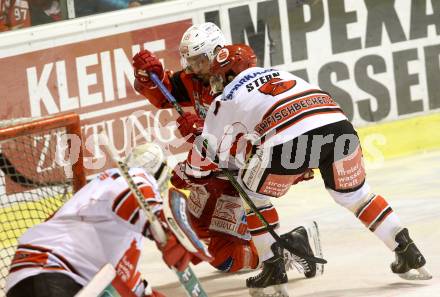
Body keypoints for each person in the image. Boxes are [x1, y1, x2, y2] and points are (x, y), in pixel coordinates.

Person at [184, 44, 432, 296]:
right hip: (340, 129)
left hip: (288, 139)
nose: (214, 82)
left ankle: (272, 268)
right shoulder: (281, 73)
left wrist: (190, 172)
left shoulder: (225, 97)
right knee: (357, 196)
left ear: (229, 74)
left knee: (253, 197)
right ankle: (406, 250)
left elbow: (208, 149)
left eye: (217, 75)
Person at [132, 22, 321, 277]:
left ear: (217, 54)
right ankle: (252, 240)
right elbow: (166, 93)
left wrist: (197, 147)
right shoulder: (195, 77)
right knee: (196, 220)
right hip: (222, 164)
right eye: (190, 61)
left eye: (199, 61)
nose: (193, 68)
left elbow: (238, 142)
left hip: (251, 165)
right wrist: (148, 76)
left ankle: (285, 250)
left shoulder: (239, 85)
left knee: (225, 259)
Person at [5, 143, 210, 297]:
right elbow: (133, 189)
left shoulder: (121, 228)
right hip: (51, 271)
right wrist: (162, 223)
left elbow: (124, 279)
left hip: (42, 279)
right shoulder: (126, 177)